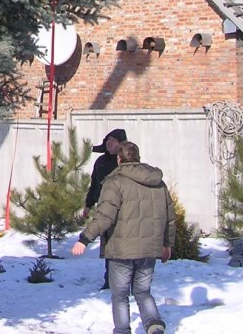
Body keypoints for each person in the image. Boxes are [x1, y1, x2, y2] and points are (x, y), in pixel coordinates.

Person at [71, 141, 175, 334]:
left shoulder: (114, 182)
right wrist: (167, 244)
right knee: (143, 291)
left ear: (119, 159)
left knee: (120, 295)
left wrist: (85, 238)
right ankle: (154, 326)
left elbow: (105, 216)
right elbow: (169, 217)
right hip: (149, 249)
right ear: (138, 157)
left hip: (121, 249)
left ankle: (122, 330)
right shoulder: (158, 182)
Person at [83, 127, 127, 289]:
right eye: (107, 140)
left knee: (122, 246)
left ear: (121, 144)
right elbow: (94, 184)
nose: (109, 143)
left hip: (123, 209)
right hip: (104, 209)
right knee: (108, 246)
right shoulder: (100, 161)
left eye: (113, 140)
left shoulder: (125, 162)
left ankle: (124, 279)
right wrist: (88, 205)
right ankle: (109, 279)